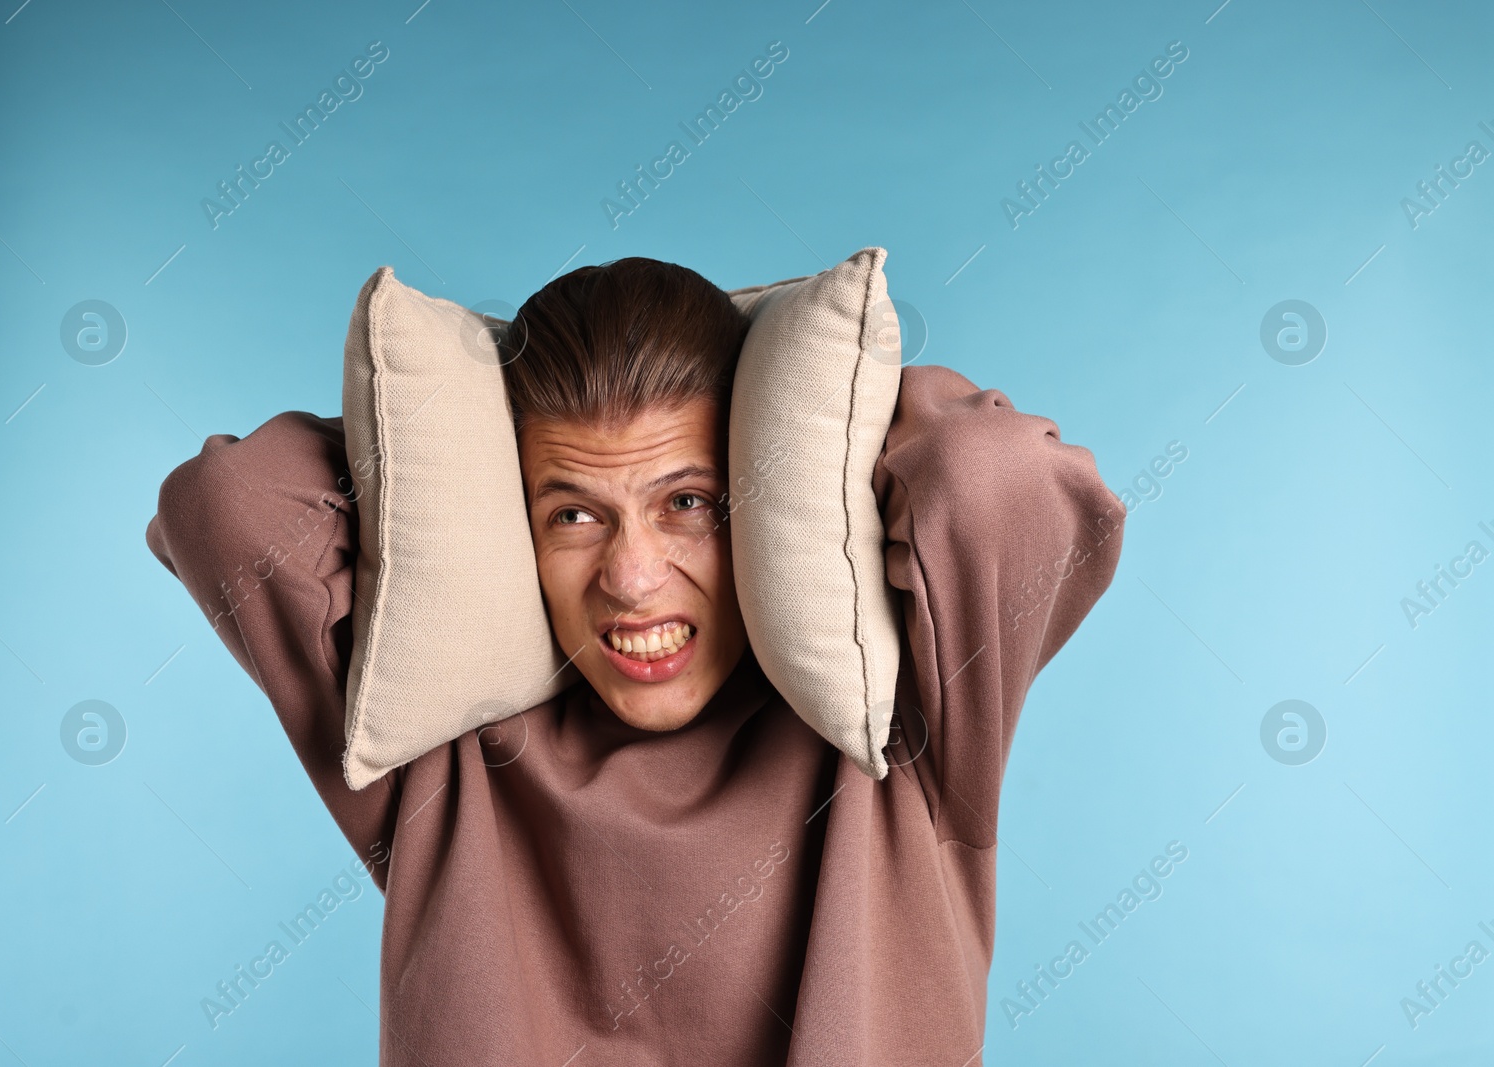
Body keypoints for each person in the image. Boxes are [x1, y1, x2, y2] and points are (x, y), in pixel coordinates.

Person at [145, 257, 1125, 1066]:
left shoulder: (906, 721)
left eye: (687, 501)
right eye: (572, 513)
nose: (631, 576)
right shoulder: (434, 752)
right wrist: (451, 415)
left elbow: (1008, 481)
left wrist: (815, 403)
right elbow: (230, 506)